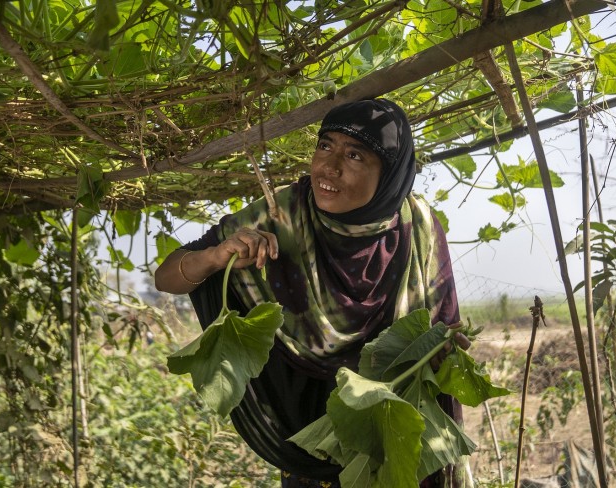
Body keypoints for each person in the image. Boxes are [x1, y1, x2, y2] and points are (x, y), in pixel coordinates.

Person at [155, 98, 470, 487]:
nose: (329, 167)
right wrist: (216, 257)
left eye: (354, 154)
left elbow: (443, 333)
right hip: (307, 447)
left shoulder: (417, 228)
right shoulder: (282, 215)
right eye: (325, 145)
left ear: (389, 174)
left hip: (391, 442)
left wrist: (447, 344)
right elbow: (166, 277)